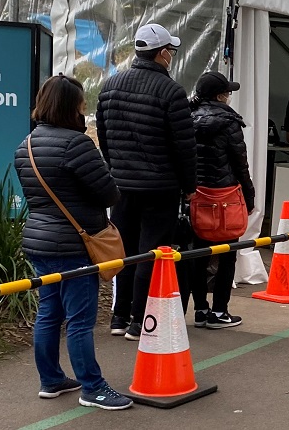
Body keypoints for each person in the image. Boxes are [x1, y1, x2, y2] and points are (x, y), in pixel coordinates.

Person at [15, 75, 132, 411]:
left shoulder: (26, 144)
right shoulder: (77, 145)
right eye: (82, 103)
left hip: (39, 240)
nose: (84, 109)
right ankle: (92, 387)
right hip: (73, 245)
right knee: (80, 319)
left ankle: (51, 379)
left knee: (49, 311)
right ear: (72, 106)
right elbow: (110, 193)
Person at [98, 22, 197, 341]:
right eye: (172, 50)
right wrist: (190, 185)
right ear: (163, 54)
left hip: (121, 186)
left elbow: (104, 135)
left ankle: (118, 316)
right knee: (152, 252)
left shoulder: (110, 85)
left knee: (124, 251)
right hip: (160, 187)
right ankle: (139, 320)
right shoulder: (171, 91)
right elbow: (184, 145)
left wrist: (115, 169)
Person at [180, 71, 255, 329]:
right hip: (227, 198)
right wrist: (250, 195)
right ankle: (220, 311)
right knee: (227, 255)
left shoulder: (185, 120)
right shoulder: (229, 123)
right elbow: (240, 164)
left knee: (198, 255)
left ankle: (200, 310)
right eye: (228, 92)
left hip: (196, 197)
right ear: (220, 96)